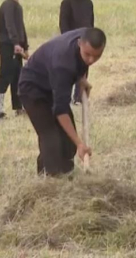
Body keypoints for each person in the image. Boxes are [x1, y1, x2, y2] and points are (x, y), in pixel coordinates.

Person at [17, 27, 107, 176]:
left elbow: (80, 61)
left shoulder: (87, 35)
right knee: (51, 138)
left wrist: (81, 78)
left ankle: (65, 174)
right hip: (32, 88)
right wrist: (80, 144)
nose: (91, 60)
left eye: (97, 56)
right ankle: (50, 179)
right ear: (79, 43)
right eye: (88, 54)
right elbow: (61, 110)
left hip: (52, 83)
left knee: (68, 142)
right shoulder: (63, 64)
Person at [0, 0, 29, 120]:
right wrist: (15, 43)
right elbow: (10, 26)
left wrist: (25, 46)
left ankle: (18, 107)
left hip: (17, 47)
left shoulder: (17, 6)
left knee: (17, 78)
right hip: (8, 47)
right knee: (5, 78)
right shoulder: (8, 5)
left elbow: (21, 28)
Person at [59, 0, 95, 104]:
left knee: (83, 69)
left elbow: (91, 22)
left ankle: (79, 97)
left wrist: (91, 38)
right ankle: (66, 97)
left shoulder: (88, 2)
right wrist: (68, 40)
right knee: (70, 69)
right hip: (72, 41)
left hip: (85, 41)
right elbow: (63, 23)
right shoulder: (67, 1)